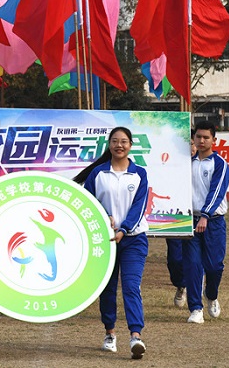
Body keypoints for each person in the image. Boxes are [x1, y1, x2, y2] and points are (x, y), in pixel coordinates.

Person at [73, 126, 148, 360]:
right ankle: (110, 332)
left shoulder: (139, 173)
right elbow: (89, 201)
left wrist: (124, 229)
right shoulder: (97, 173)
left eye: (124, 141)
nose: (119, 145)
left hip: (134, 239)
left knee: (131, 286)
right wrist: (104, 215)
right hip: (105, 240)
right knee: (106, 288)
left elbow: (139, 206)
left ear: (131, 145)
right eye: (115, 141)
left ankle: (135, 336)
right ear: (109, 144)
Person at [184, 121, 229, 324]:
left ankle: (211, 295)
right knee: (193, 265)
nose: (201, 140)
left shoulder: (220, 164)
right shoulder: (186, 163)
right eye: (198, 137)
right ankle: (195, 308)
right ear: (193, 139)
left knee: (214, 266)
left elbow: (217, 192)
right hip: (190, 220)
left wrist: (205, 215)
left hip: (213, 221)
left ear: (214, 139)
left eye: (206, 137)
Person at [165, 131, 195, 308]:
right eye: (188, 143)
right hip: (175, 216)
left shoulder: (203, 163)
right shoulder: (170, 164)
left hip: (198, 217)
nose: (191, 147)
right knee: (175, 259)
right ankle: (181, 285)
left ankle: (201, 294)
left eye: (192, 142)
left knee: (197, 259)